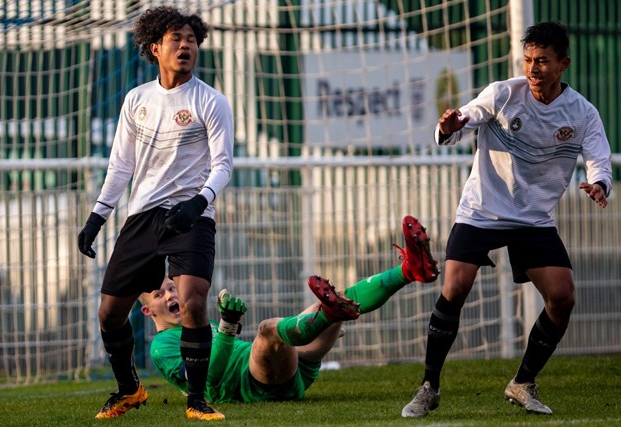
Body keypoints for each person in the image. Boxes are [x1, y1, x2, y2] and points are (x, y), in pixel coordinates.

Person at [401, 21, 612, 418]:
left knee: (563, 297)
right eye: (528, 60)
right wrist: (448, 127)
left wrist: (599, 183)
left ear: (563, 64)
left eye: (543, 61)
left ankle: (522, 382)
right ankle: (429, 387)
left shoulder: (583, 113)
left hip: (533, 218)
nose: (533, 69)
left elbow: (599, 158)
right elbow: (463, 119)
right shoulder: (503, 93)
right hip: (483, 208)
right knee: (455, 287)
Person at [77, 6, 234, 421]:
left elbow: (223, 165)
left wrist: (199, 203)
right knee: (109, 313)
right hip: (143, 216)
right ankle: (129, 390)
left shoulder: (212, 101)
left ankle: (197, 401)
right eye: (175, 39)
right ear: (155, 48)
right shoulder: (136, 100)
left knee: (193, 302)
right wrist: (96, 218)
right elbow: (120, 167)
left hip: (192, 216)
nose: (185, 46)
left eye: (191, 40)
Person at [139, 216, 439, 403]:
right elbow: (208, 379)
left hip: (288, 368)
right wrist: (228, 328)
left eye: (171, 287)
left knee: (340, 297)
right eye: (158, 294)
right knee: (268, 331)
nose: (170, 295)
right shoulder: (162, 346)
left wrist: (225, 329)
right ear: (148, 311)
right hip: (253, 384)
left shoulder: (196, 325)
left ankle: (409, 271)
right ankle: (328, 315)